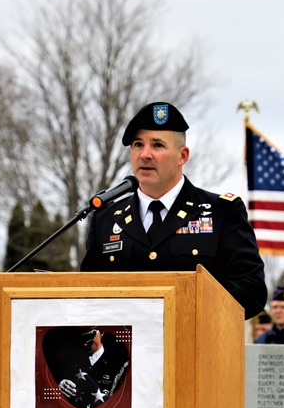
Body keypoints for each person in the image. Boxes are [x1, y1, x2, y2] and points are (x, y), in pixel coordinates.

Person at [80, 102, 267, 319]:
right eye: (138, 144)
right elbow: (87, 293)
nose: (145, 154)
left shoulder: (222, 212)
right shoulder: (107, 217)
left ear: (182, 156)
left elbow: (252, 291)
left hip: (194, 345)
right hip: (126, 349)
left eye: (157, 145)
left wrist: (185, 305)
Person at [56, 328, 130, 408]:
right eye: (81, 338)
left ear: (101, 332)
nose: (85, 344)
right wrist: (60, 386)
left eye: (89, 337)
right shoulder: (66, 360)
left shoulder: (119, 364)